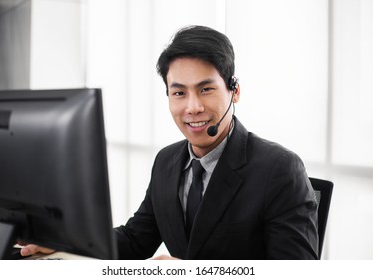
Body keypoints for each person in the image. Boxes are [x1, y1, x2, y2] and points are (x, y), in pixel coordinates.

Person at [21, 25, 319, 260]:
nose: (192, 107)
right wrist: (65, 240)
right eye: (179, 93)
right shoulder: (167, 161)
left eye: (206, 89)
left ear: (234, 91)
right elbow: (137, 239)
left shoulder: (279, 169)